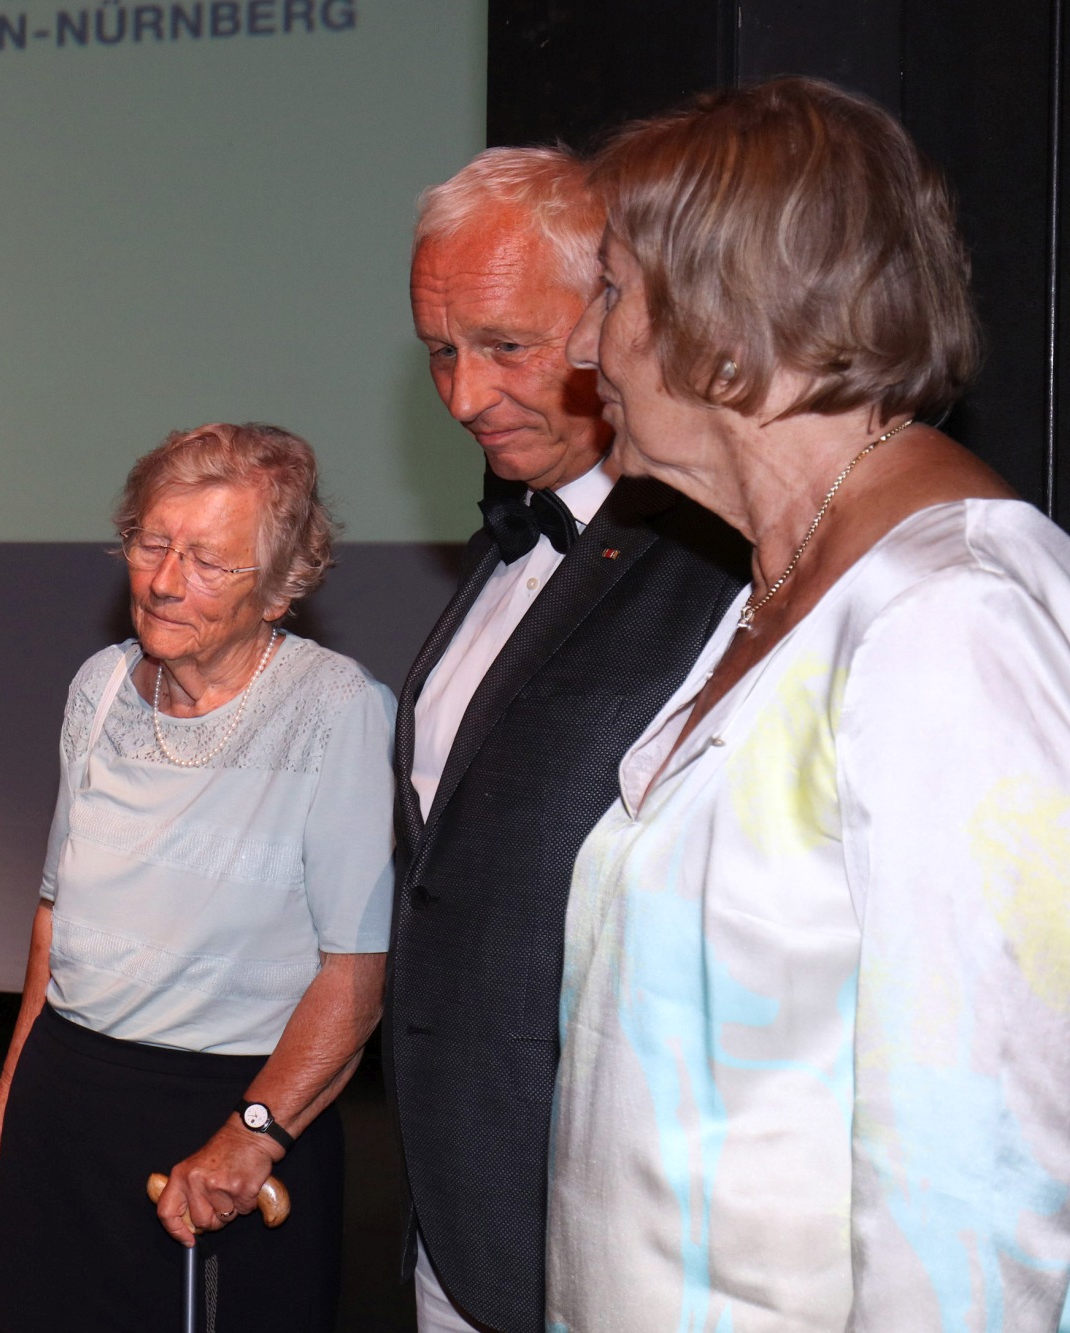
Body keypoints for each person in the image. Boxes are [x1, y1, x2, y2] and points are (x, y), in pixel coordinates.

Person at [548, 77, 1070, 1330]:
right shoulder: (781, 588)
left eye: (610, 291)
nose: (579, 347)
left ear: (727, 318)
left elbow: (978, 1188)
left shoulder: (947, 620)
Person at [389, 148, 746, 1333]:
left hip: (619, 1236)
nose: (461, 396)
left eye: (502, 344)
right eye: (442, 351)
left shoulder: (721, 565)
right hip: (461, 1215)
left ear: (617, 315)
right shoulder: (503, 548)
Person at [0, 423, 395, 1333]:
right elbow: (55, 913)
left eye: (206, 561)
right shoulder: (101, 686)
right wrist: (13, 1084)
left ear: (279, 590)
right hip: (68, 1095)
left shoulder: (338, 709)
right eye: (152, 543)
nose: (162, 580)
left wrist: (250, 1138)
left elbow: (355, 974)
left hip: (228, 1115)